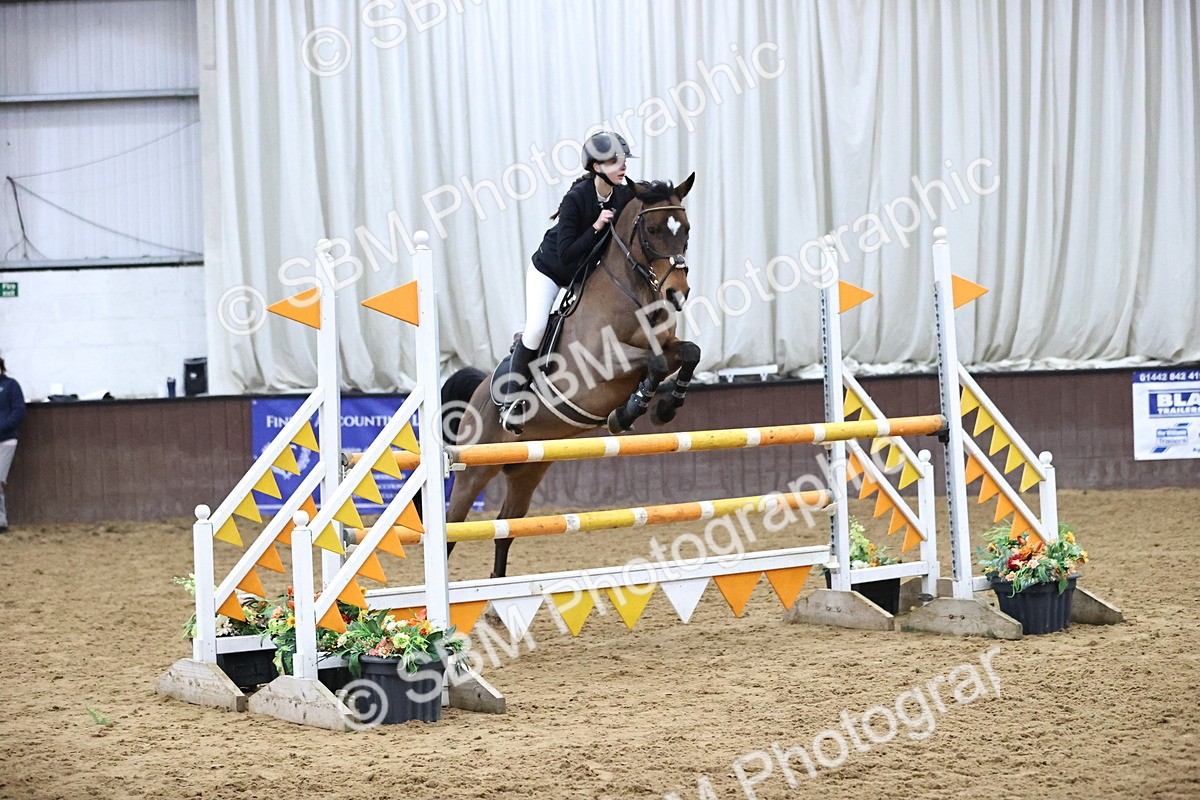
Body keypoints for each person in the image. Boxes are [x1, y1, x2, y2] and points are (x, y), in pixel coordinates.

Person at [500, 130, 637, 432]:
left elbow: (646, 197)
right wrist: (596, 227)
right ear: (596, 167)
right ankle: (512, 399)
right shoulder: (576, 199)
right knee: (536, 327)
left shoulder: (624, 193)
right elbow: (567, 253)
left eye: (624, 160)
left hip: (584, 274)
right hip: (551, 270)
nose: (623, 166)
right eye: (615, 161)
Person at [0, 357, 25, 533]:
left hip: (6, 439)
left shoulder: (10, 386)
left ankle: (1, 521)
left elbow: (19, 410)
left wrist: (3, 427)